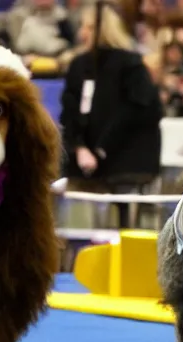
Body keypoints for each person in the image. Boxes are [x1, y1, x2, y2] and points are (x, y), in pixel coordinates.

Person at [59, 0, 162, 229]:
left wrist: (101, 150)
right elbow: (70, 111)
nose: (81, 33)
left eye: (87, 27)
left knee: (128, 227)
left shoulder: (131, 65)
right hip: (86, 168)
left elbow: (138, 112)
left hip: (126, 164)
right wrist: (79, 147)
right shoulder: (78, 65)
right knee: (81, 228)